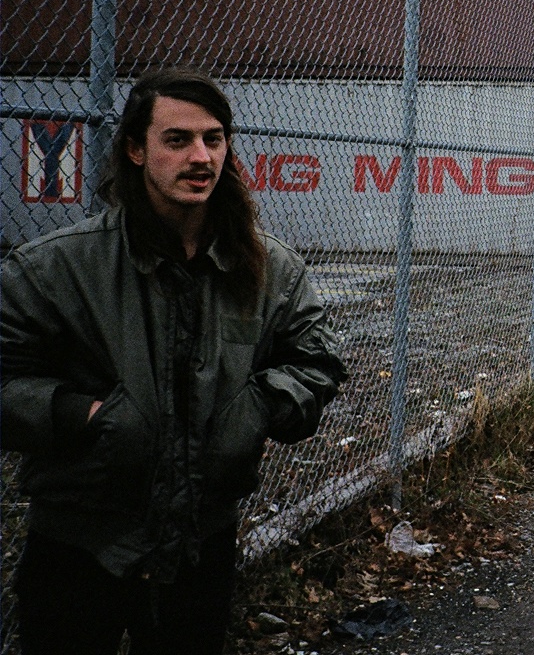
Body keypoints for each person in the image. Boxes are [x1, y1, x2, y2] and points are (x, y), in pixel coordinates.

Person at [2, 68, 348, 655]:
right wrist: (81, 414)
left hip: (201, 542)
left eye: (214, 139)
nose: (201, 157)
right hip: (82, 541)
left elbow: (315, 360)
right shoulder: (57, 269)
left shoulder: (268, 270)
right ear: (136, 150)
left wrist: (262, 406)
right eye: (177, 139)